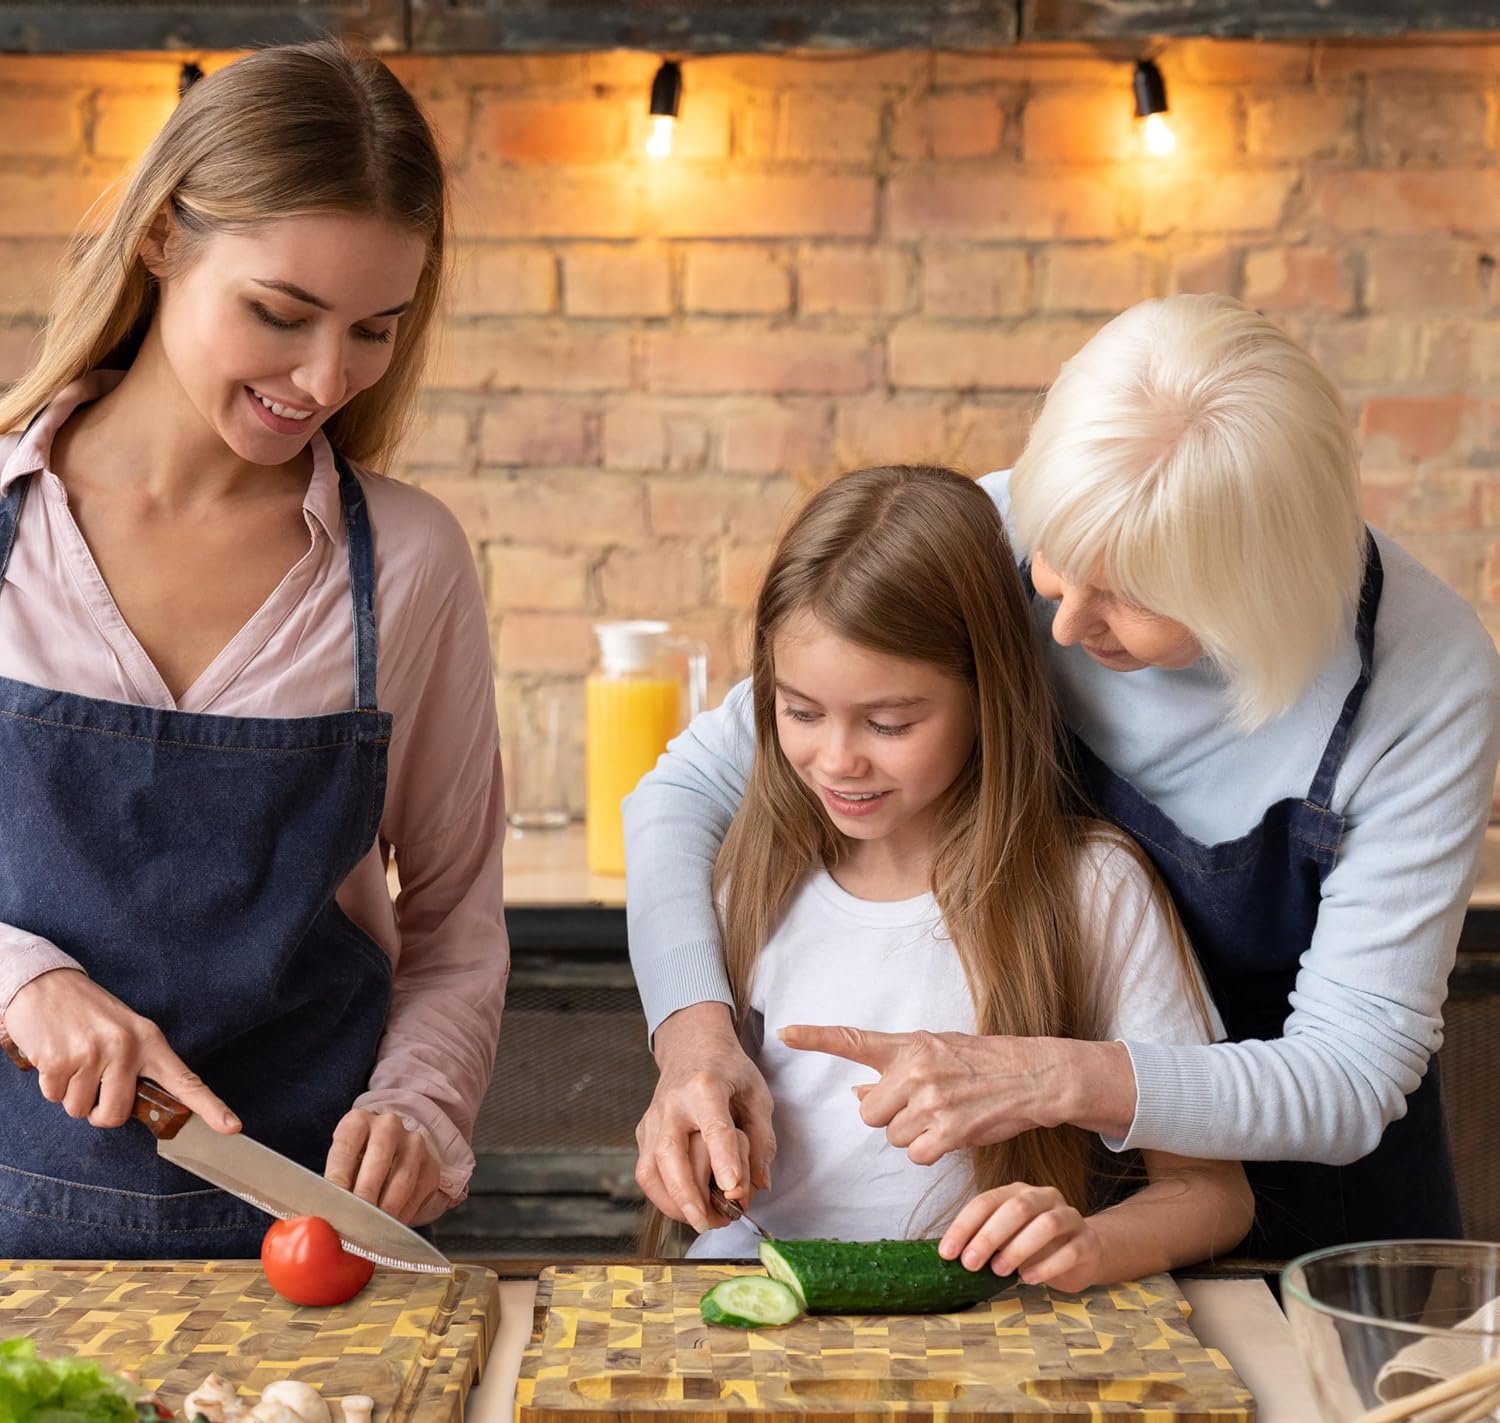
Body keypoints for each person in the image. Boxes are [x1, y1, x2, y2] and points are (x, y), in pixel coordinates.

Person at [628, 295, 1500, 1261]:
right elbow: (681, 796)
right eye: (1054, 563)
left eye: (1126, 596)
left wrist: (1053, 1081)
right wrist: (695, 1042)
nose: (1063, 626)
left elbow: (1352, 1073)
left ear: (1255, 595)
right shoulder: (1010, 529)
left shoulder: (1425, 681)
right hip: (1054, 1205)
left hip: (1314, 1193)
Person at [0, 40, 506, 1258]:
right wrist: (24, 977)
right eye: (280, 315)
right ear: (164, 239)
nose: (326, 378)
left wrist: (421, 1104)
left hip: (310, 1240)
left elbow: (454, 923)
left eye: (374, 329)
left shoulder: (411, 564)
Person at [653, 465, 1252, 1288]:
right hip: (755, 1301)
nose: (836, 760)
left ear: (987, 694)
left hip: (988, 1335)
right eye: (799, 711)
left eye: (890, 722)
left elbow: (1210, 1191)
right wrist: (695, 1160)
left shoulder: (1093, 890)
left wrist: (1093, 1243)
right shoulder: (747, 879)